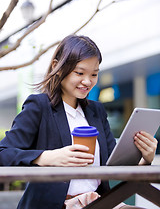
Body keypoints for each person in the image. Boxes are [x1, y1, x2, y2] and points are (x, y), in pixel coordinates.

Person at [0, 35, 157, 209]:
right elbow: (3, 152)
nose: (87, 81)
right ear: (57, 67)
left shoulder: (96, 111)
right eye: (80, 73)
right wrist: (48, 157)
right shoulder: (39, 106)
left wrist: (144, 160)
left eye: (94, 74)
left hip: (100, 202)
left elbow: (114, 164)